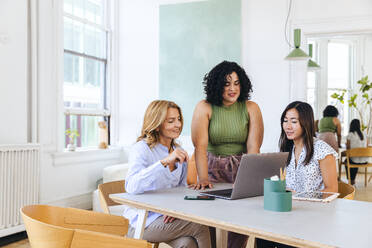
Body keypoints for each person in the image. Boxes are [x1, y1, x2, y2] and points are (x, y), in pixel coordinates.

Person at [190, 61, 264, 248]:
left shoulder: (251, 108)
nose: (233, 88)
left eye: (237, 83)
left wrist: (248, 180)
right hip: (212, 167)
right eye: (227, 83)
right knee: (210, 221)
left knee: (240, 222)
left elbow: (254, 148)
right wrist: (203, 178)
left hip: (242, 166)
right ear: (217, 85)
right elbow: (200, 147)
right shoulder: (204, 107)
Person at [124, 100, 211, 248]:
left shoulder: (179, 151)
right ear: (157, 125)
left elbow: (180, 189)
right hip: (141, 222)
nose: (177, 124)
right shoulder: (141, 149)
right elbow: (131, 187)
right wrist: (163, 163)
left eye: (178, 119)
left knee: (188, 244)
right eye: (171, 121)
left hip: (165, 219)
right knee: (200, 225)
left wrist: (176, 208)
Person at [256, 101, 338, 248]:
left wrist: (301, 198)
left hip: (311, 217)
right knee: (262, 234)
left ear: (305, 123)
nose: (288, 126)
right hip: (288, 213)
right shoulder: (288, 149)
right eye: (285, 121)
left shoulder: (322, 150)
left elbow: (332, 190)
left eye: (294, 121)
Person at [345, 119, 368, 185]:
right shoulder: (364, 134)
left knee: (348, 161)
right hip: (364, 161)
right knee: (355, 159)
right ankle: (352, 180)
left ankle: (351, 179)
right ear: (359, 125)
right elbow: (366, 146)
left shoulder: (350, 135)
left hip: (354, 160)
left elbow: (348, 149)